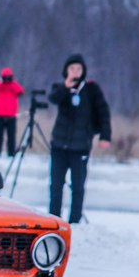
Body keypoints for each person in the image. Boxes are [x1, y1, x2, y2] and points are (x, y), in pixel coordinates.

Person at [47, 53, 112, 224]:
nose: (75, 72)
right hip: (59, 146)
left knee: (77, 187)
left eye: (78, 69)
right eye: (72, 69)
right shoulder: (60, 88)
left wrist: (105, 136)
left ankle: (75, 221)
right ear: (66, 71)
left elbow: (103, 112)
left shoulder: (91, 90)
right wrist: (66, 88)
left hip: (80, 147)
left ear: (83, 71)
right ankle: (53, 220)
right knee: (55, 186)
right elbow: (53, 98)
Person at [0, 67, 25, 157]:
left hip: (11, 115)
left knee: (11, 136)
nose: (7, 79)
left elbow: (21, 91)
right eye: (5, 77)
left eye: (9, 77)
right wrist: (0, 82)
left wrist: (12, 83)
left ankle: (11, 153)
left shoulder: (13, 85)